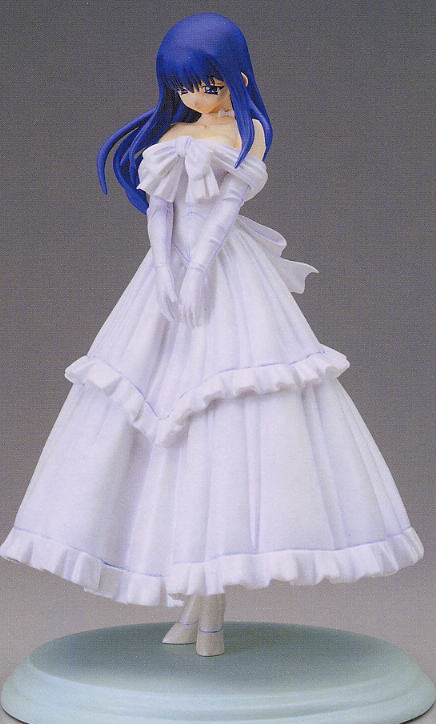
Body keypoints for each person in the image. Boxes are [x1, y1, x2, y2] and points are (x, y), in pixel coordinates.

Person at [0, 13, 424, 657]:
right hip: (166, 284)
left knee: (231, 431)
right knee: (158, 424)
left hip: (228, 280)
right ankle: (194, 611)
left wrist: (198, 268)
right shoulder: (174, 135)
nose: (198, 97)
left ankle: (211, 619)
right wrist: (168, 268)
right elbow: (160, 212)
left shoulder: (247, 133)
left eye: (210, 84)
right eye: (185, 87)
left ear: (237, 77)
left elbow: (225, 210)